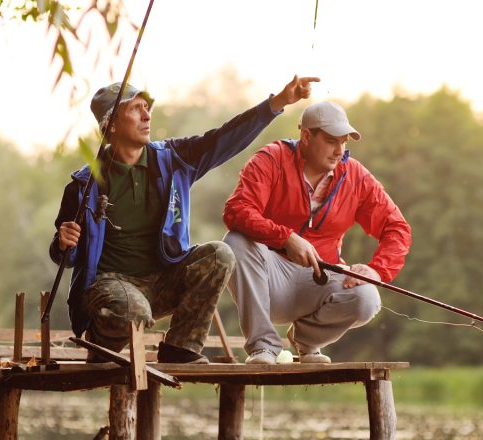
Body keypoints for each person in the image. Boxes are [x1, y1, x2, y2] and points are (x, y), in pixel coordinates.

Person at [49, 75, 319, 364]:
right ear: (111, 124)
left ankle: (180, 349)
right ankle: (101, 344)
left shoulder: (173, 158)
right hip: (109, 285)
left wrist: (277, 103)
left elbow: (223, 139)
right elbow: (65, 254)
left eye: (147, 107)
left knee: (220, 254)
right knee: (133, 310)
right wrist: (63, 242)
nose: (147, 115)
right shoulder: (83, 185)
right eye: (135, 109)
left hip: (163, 279)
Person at [222, 101, 412, 364]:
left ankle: (306, 341)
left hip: (319, 282)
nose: (339, 151)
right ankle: (263, 347)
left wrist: (377, 271)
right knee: (234, 242)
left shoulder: (355, 176)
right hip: (269, 279)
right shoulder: (272, 158)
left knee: (367, 297)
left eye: (344, 142)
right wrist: (285, 238)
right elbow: (236, 210)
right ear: (306, 136)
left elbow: (397, 228)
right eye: (332, 141)